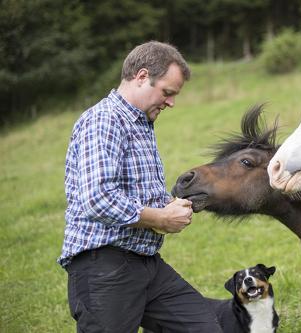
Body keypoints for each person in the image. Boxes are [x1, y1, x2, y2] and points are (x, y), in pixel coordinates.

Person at [58, 41, 222, 333]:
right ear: (142, 76)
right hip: (103, 268)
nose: (171, 102)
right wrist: (160, 218)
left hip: (146, 264)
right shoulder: (104, 120)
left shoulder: (140, 124)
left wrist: (173, 206)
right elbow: (97, 198)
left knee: (204, 326)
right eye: (167, 93)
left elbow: (136, 194)